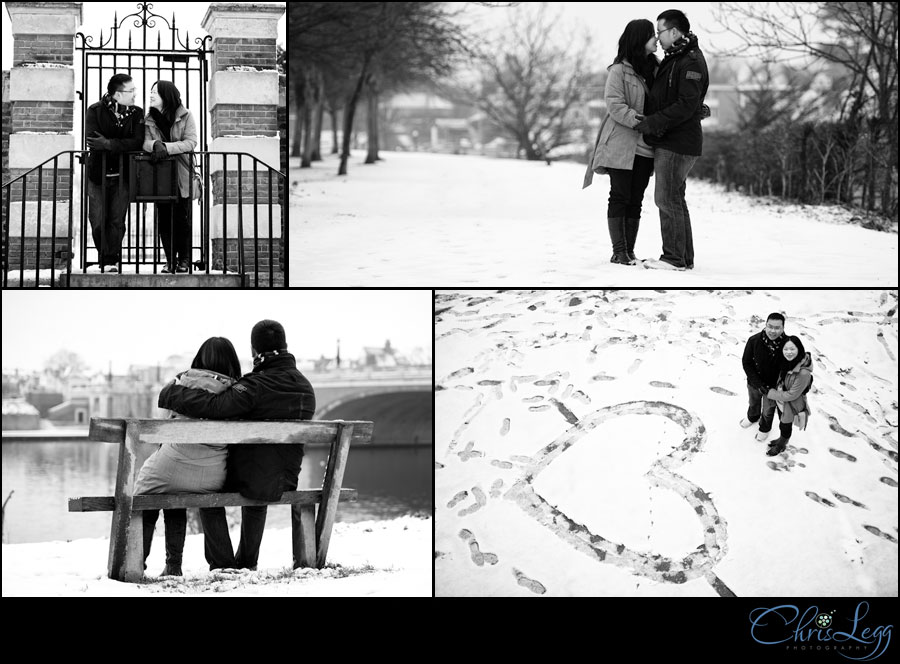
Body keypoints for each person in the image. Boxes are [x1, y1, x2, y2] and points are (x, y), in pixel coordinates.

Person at [158, 320, 316, 571]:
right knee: (261, 475)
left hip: (249, 478)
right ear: (285, 345)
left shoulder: (254, 386)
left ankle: (223, 564)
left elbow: (214, 408)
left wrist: (170, 394)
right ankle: (246, 562)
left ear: (254, 351)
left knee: (208, 482)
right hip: (286, 479)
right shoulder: (305, 387)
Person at [135, 337, 242, 576]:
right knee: (176, 486)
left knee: (146, 492)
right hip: (212, 477)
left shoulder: (183, 383)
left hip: (171, 467)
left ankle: (145, 562)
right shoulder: (238, 392)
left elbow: (163, 423)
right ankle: (219, 564)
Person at [633, 9, 709, 271]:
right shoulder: (676, 58)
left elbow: (685, 105)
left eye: (660, 32)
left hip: (677, 142)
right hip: (673, 140)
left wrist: (653, 122)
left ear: (674, 32)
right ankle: (683, 259)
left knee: (666, 198)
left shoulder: (690, 61)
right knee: (674, 198)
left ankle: (673, 258)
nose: (658, 37)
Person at [583, 19, 659, 265]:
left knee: (636, 199)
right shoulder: (618, 71)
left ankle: (630, 251)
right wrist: (641, 122)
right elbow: (615, 105)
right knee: (619, 196)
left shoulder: (659, 69)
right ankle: (619, 251)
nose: (656, 39)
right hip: (621, 143)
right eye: (651, 35)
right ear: (639, 39)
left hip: (646, 146)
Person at [85, 73, 144, 274]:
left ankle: (111, 260)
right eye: (131, 91)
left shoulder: (136, 113)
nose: (135, 94)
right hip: (97, 174)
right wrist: (120, 144)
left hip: (123, 175)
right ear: (118, 95)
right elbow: (92, 139)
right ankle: (104, 256)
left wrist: (109, 143)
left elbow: (137, 142)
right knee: (98, 220)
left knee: (117, 221)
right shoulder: (95, 110)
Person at [143, 80, 199, 274]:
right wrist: (154, 145)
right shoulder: (149, 119)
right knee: (165, 220)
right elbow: (144, 142)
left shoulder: (185, 115)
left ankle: (184, 260)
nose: (150, 95)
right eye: (150, 92)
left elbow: (191, 142)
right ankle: (170, 261)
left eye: (155, 93)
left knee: (183, 220)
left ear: (166, 96)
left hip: (182, 174)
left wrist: (166, 147)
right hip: (161, 176)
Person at [741, 313, 787, 442]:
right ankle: (752, 417)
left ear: (783, 328)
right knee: (753, 402)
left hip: (773, 389)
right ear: (765, 325)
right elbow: (747, 363)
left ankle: (765, 428)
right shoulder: (754, 340)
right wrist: (757, 383)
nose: (773, 331)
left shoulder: (788, 345)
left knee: (768, 411)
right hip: (754, 383)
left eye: (777, 327)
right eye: (770, 326)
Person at [765, 336, 813, 456]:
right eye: (785, 349)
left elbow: (792, 395)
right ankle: (781, 439)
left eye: (792, 349)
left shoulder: (803, 373)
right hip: (782, 400)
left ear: (799, 349)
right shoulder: (787, 362)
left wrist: (770, 393)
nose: (789, 352)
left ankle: (782, 444)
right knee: (782, 420)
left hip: (791, 403)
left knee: (785, 425)